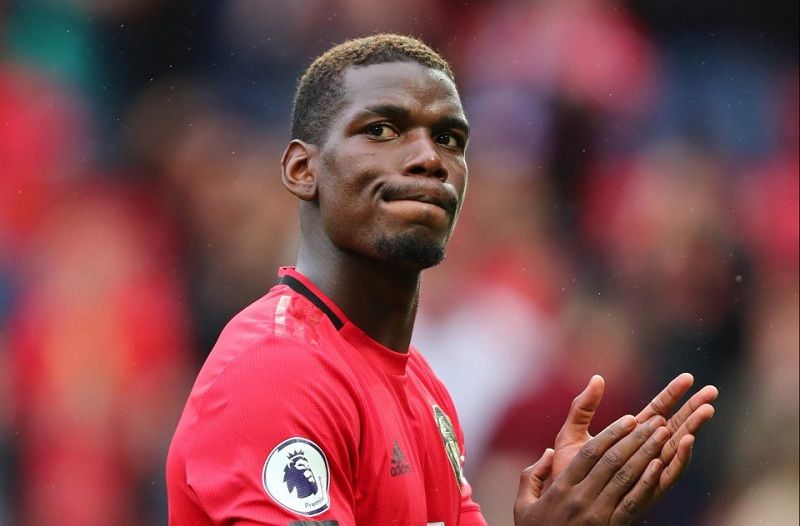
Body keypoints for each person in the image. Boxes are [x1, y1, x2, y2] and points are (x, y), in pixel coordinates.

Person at [166, 34, 718, 525]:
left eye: (450, 139)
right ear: (301, 169)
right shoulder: (277, 367)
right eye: (381, 130)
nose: (429, 158)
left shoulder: (424, 392)